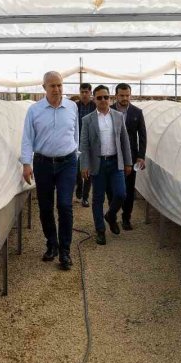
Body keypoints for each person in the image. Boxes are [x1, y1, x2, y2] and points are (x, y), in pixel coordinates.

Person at [21, 71, 79, 270]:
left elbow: (75, 134)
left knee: (64, 205)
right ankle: (51, 244)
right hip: (43, 163)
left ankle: (65, 251)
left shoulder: (72, 107)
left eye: (59, 85)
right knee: (45, 207)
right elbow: (27, 138)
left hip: (67, 162)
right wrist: (26, 164)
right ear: (44, 87)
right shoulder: (34, 110)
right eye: (52, 86)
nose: (56, 89)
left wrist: (76, 156)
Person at [80, 85, 132, 245]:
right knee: (98, 198)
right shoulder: (87, 120)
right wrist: (84, 165)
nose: (103, 100)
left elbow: (125, 141)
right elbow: (84, 144)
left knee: (121, 194)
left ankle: (110, 215)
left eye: (106, 97)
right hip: (98, 163)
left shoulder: (118, 116)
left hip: (115, 162)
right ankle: (100, 230)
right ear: (94, 99)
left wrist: (128, 162)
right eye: (99, 97)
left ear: (110, 98)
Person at [110, 83, 147, 230]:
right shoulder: (109, 110)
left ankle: (126, 217)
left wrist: (141, 156)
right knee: (113, 189)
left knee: (129, 189)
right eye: (122, 95)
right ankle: (112, 215)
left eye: (127, 95)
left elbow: (142, 136)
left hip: (130, 157)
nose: (125, 98)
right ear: (116, 96)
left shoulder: (137, 112)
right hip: (112, 155)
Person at [74, 82, 96, 207]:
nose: (84, 94)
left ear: (90, 93)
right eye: (82, 92)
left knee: (88, 169)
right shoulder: (75, 106)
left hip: (90, 142)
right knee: (77, 168)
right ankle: (79, 185)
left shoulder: (95, 106)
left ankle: (85, 197)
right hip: (77, 141)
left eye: (86, 92)